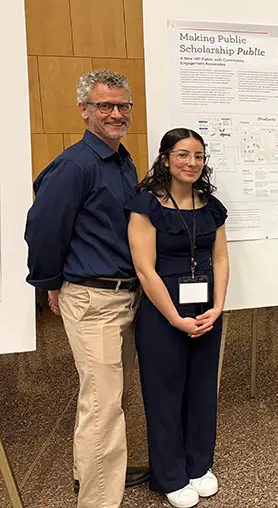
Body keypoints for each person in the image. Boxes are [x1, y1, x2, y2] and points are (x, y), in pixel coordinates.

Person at [24, 70, 150, 508]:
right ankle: (98, 498)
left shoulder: (121, 158)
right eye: (104, 106)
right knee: (103, 405)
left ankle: (92, 472)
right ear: (84, 110)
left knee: (107, 397)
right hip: (93, 298)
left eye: (123, 106)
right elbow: (42, 229)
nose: (116, 114)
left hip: (125, 294)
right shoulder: (74, 165)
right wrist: (50, 284)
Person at [127, 128, 229, 508]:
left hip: (206, 309)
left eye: (199, 156)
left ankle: (199, 465)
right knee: (165, 393)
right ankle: (170, 474)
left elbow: (220, 259)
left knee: (203, 390)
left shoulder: (211, 205)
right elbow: (145, 270)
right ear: (166, 158)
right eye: (183, 155)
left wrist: (218, 307)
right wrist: (173, 317)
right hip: (162, 311)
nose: (192, 163)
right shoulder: (145, 205)